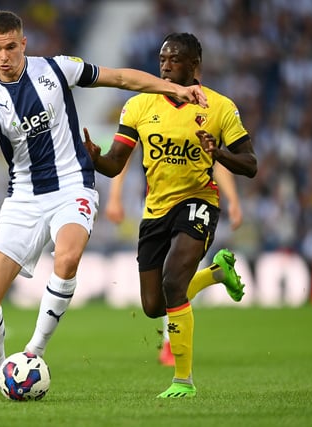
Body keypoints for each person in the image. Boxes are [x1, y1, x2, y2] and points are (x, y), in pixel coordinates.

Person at [0, 10, 208, 400]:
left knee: (67, 259)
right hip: (23, 198)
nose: (4, 56)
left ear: (23, 43)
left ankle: (33, 354)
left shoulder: (57, 70)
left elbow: (121, 78)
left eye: (10, 47)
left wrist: (170, 88)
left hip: (74, 185)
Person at [83, 32, 257, 398]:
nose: (165, 65)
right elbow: (116, 165)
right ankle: (216, 274)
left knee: (174, 282)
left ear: (195, 65)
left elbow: (251, 164)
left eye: (174, 59)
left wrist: (219, 154)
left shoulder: (220, 107)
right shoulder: (139, 105)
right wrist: (94, 157)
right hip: (155, 210)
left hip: (198, 201)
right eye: (162, 58)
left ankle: (183, 380)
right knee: (154, 306)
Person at [104, 158, 244, 367]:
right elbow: (124, 153)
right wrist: (115, 196)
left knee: (175, 277)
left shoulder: (200, 124)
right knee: (155, 300)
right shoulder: (144, 123)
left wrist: (233, 198)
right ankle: (215, 273)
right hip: (155, 204)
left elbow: (216, 159)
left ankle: (172, 344)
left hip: (195, 202)